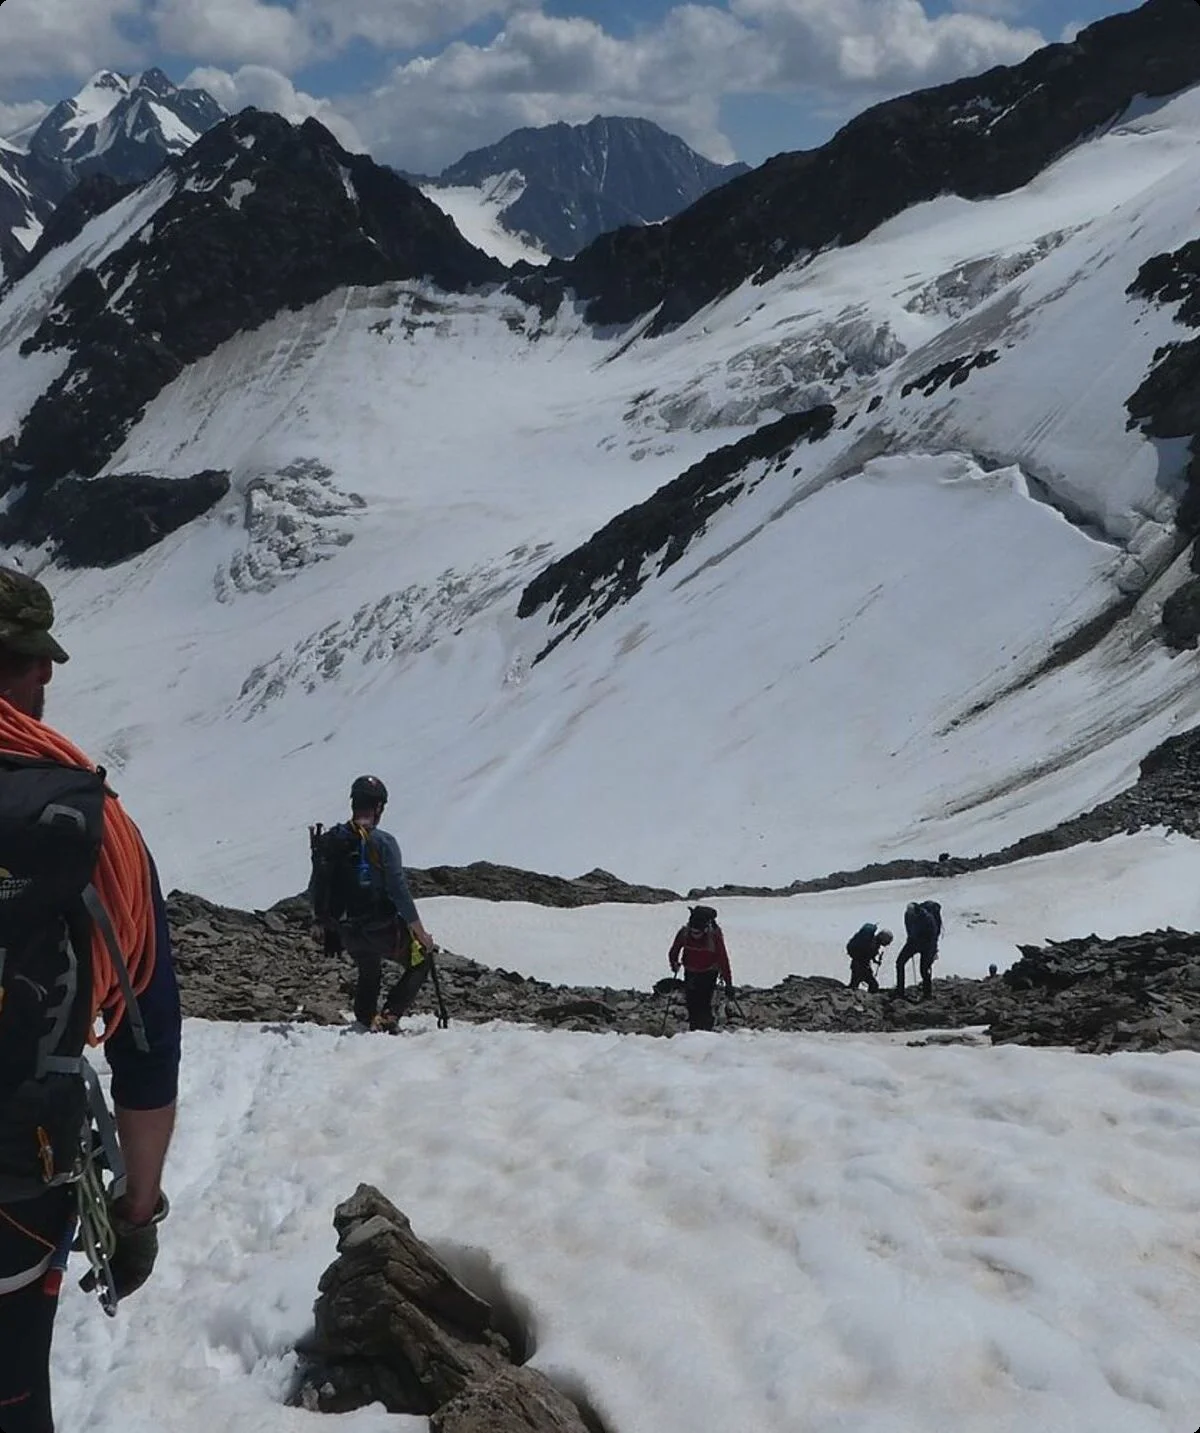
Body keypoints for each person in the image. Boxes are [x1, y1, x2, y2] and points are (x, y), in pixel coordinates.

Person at [0, 567, 180, 1433]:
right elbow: (147, 1034)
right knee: (13, 1391)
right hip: (19, 1183)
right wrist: (136, 1204)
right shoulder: (91, 822)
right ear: (31, 669)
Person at [312, 775, 434, 1032]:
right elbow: (398, 889)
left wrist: (322, 922)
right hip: (381, 927)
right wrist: (420, 933)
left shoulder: (333, 839)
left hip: (345, 929)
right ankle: (389, 1016)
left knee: (369, 968)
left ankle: (366, 1019)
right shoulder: (383, 842)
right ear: (378, 807)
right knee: (420, 961)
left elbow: (318, 882)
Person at [667, 906, 732, 1031]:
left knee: (703, 1004)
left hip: (709, 973)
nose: (695, 935)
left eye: (698, 933)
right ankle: (696, 1032)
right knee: (692, 1004)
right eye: (693, 932)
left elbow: (723, 959)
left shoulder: (714, 937)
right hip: (691, 972)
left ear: (706, 929)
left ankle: (703, 1032)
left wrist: (728, 983)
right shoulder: (684, 933)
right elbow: (674, 950)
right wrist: (673, 963)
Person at [895, 899, 943, 1000]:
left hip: (925, 945)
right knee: (900, 963)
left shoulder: (928, 918)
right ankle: (901, 991)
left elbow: (933, 935)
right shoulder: (908, 915)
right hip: (915, 942)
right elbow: (908, 927)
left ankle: (926, 993)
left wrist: (932, 949)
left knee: (923, 969)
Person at [845, 922, 892, 993]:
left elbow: (867, 954)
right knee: (873, 985)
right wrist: (874, 961)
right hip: (861, 967)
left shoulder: (872, 941)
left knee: (855, 984)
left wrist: (875, 961)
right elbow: (868, 954)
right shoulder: (873, 943)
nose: (887, 944)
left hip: (857, 965)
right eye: (887, 941)